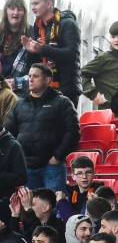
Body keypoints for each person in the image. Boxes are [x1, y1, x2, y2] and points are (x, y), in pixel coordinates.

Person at [5, 62, 78, 190]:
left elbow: (73, 132)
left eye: (35, 76)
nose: (31, 79)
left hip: (52, 166)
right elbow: (9, 134)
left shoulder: (62, 102)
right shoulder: (20, 104)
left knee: (55, 205)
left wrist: (57, 156)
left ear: (48, 80)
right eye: (29, 76)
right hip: (26, 167)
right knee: (31, 208)